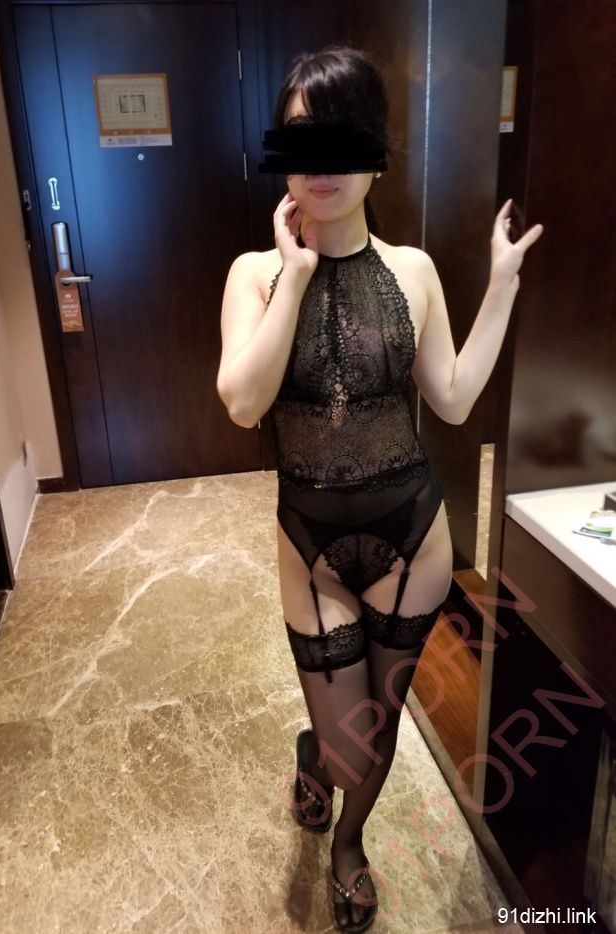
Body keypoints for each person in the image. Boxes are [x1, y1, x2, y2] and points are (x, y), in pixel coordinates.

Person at [216, 45, 543, 932]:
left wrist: (501, 285)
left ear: (376, 152)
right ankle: (314, 755)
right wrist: (298, 273)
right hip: (311, 545)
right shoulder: (254, 274)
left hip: (412, 537)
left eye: (342, 138)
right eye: (300, 140)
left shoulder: (415, 271)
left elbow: (454, 398)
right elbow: (243, 402)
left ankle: (349, 844)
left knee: (378, 724)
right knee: (341, 742)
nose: (320, 162)